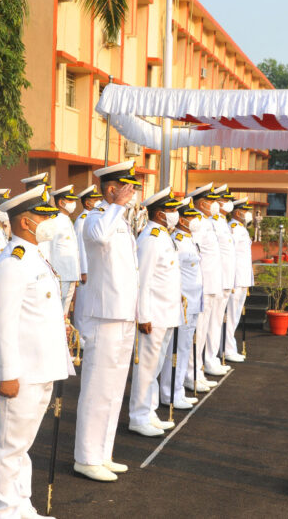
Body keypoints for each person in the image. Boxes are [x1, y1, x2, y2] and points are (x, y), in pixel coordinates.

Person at [0, 185, 74, 519]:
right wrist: (7, 374)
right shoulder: (12, 263)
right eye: (44, 215)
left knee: (23, 446)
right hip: (22, 372)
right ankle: (4, 510)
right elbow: (2, 325)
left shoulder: (36, 256)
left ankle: (21, 505)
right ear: (25, 221)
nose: (51, 220)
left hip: (43, 367)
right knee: (9, 445)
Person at [74, 160, 139, 482]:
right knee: (98, 389)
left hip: (123, 313)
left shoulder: (119, 220)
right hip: (102, 316)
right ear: (112, 189)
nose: (132, 194)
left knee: (114, 390)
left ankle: (103, 452)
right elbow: (99, 238)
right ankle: (86, 457)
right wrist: (117, 206)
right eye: (127, 188)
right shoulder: (95, 217)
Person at [128, 186, 182, 437]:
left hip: (167, 313)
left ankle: (149, 412)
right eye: (171, 210)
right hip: (154, 316)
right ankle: (138, 416)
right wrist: (144, 315)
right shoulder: (149, 238)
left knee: (156, 367)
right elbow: (143, 280)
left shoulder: (162, 235)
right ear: (160, 214)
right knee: (146, 368)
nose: (175, 214)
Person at [159, 199, 203, 409]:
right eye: (192, 216)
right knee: (176, 349)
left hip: (194, 302)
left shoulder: (188, 239)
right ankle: (170, 393)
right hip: (183, 303)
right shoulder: (176, 240)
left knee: (184, 348)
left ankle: (178, 390)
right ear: (182, 219)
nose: (196, 220)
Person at [184, 183, 223, 393]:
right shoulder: (197, 222)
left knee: (203, 330)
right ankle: (191, 374)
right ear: (201, 203)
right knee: (197, 333)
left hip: (211, 284)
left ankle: (197, 370)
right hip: (202, 285)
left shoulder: (207, 222)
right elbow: (193, 253)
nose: (216, 205)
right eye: (212, 201)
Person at [204, 184, 235, 376]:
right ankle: (208, 360)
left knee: (215, 324)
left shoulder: (221, 221)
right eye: (216, 200)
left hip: (224, 280)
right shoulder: (210, 222)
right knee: (210, 324)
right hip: (216, 281)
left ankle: (212, 358)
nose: (220, 204)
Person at [223, 198, 254, 363]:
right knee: (231, 316)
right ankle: (228, 349)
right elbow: (231, 256)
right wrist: (233, 280)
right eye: (245, 210)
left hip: (242, 278)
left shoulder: (241, 228)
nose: (248, 213)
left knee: (234, 316)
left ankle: (228, 347)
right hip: (236, 279)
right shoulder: (233, 228)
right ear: (237, 213)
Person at [73, 185, 103, 346]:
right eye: (94, 199)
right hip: (86, 270)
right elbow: (81, 247)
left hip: (92, 269)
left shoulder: (91, 218)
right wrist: (84, 270)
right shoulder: (82, 221)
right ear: (87, 203)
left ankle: (86, 335)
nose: (97, 202)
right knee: (82, 305)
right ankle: (80, 337)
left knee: (89, 303)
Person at [48, 185, 81, 314]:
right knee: (59, 312)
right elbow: (49, 249)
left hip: (69, 274)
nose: (73, 204)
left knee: (64, 312)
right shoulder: (55, 221)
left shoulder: (66, 220)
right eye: (70, 201)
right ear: (61, 203)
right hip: (61, 274)